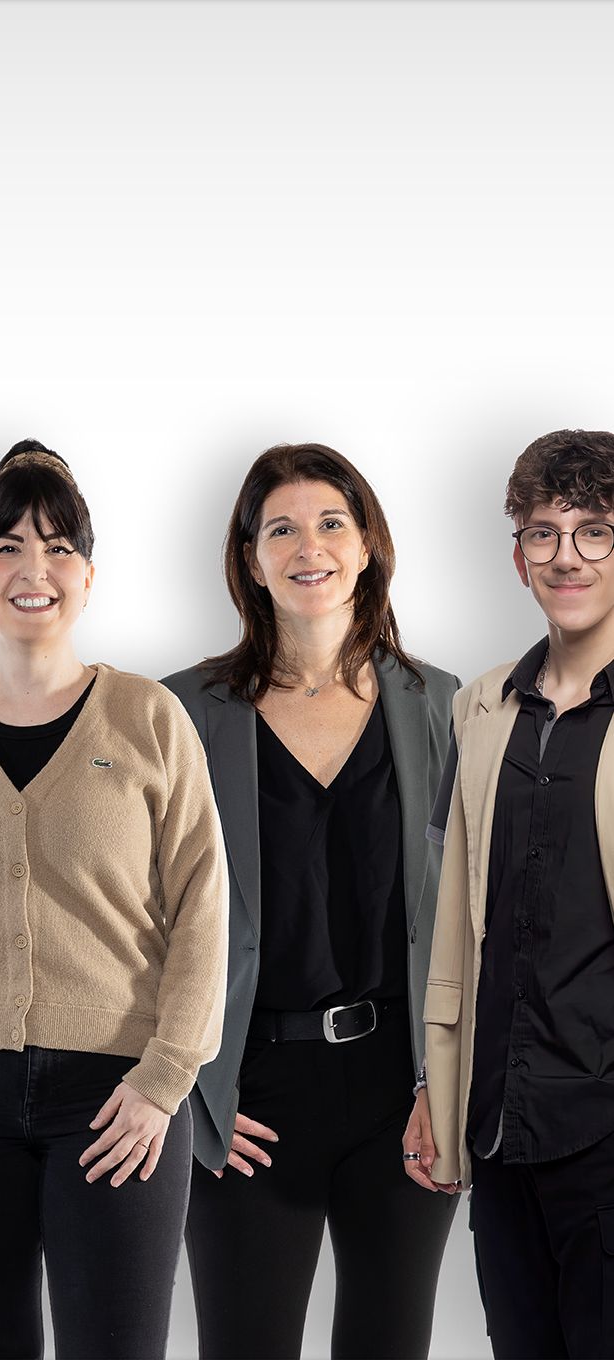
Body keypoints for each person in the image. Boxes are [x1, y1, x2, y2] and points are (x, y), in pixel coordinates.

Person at [163, 441, 459, 1360]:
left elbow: (468, 918)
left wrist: (442, 1083)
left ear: (367, 545)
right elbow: (138, 918)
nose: (309, 547)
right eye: (280, 530)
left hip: (400, 1096)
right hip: (247, 1094)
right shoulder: (184, 711)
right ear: (250, 560)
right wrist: (194, 1092)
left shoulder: (442, 704)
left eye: (331, 522)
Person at [0, 440, 229, 1360]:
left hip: (117, 1100)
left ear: (88, 577)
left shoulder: (145, 716)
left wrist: (166, 1077)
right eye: (7, 546)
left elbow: (204, 905)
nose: (33, 569)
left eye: (58, 547)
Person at [403, 427, 614, 1360]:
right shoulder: (480, 707)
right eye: (543, 532)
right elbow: (453, 917)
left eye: (594, 530)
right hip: (499, 1129)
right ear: (517, 554)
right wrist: (434, 1083)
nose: (566, 556)